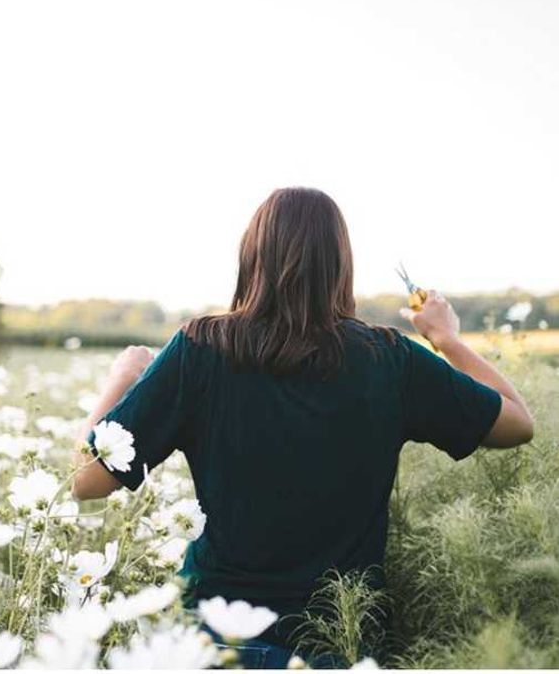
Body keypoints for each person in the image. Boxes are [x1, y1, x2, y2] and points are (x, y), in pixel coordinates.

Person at [71, 187, 533, 667]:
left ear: (251, 257)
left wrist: (121, 379)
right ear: (340, 264)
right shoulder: (390, 360)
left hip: (214, 640)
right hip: (339, 644)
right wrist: (446, 338)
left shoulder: (200, 350)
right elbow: (517, 423)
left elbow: (85, 480)